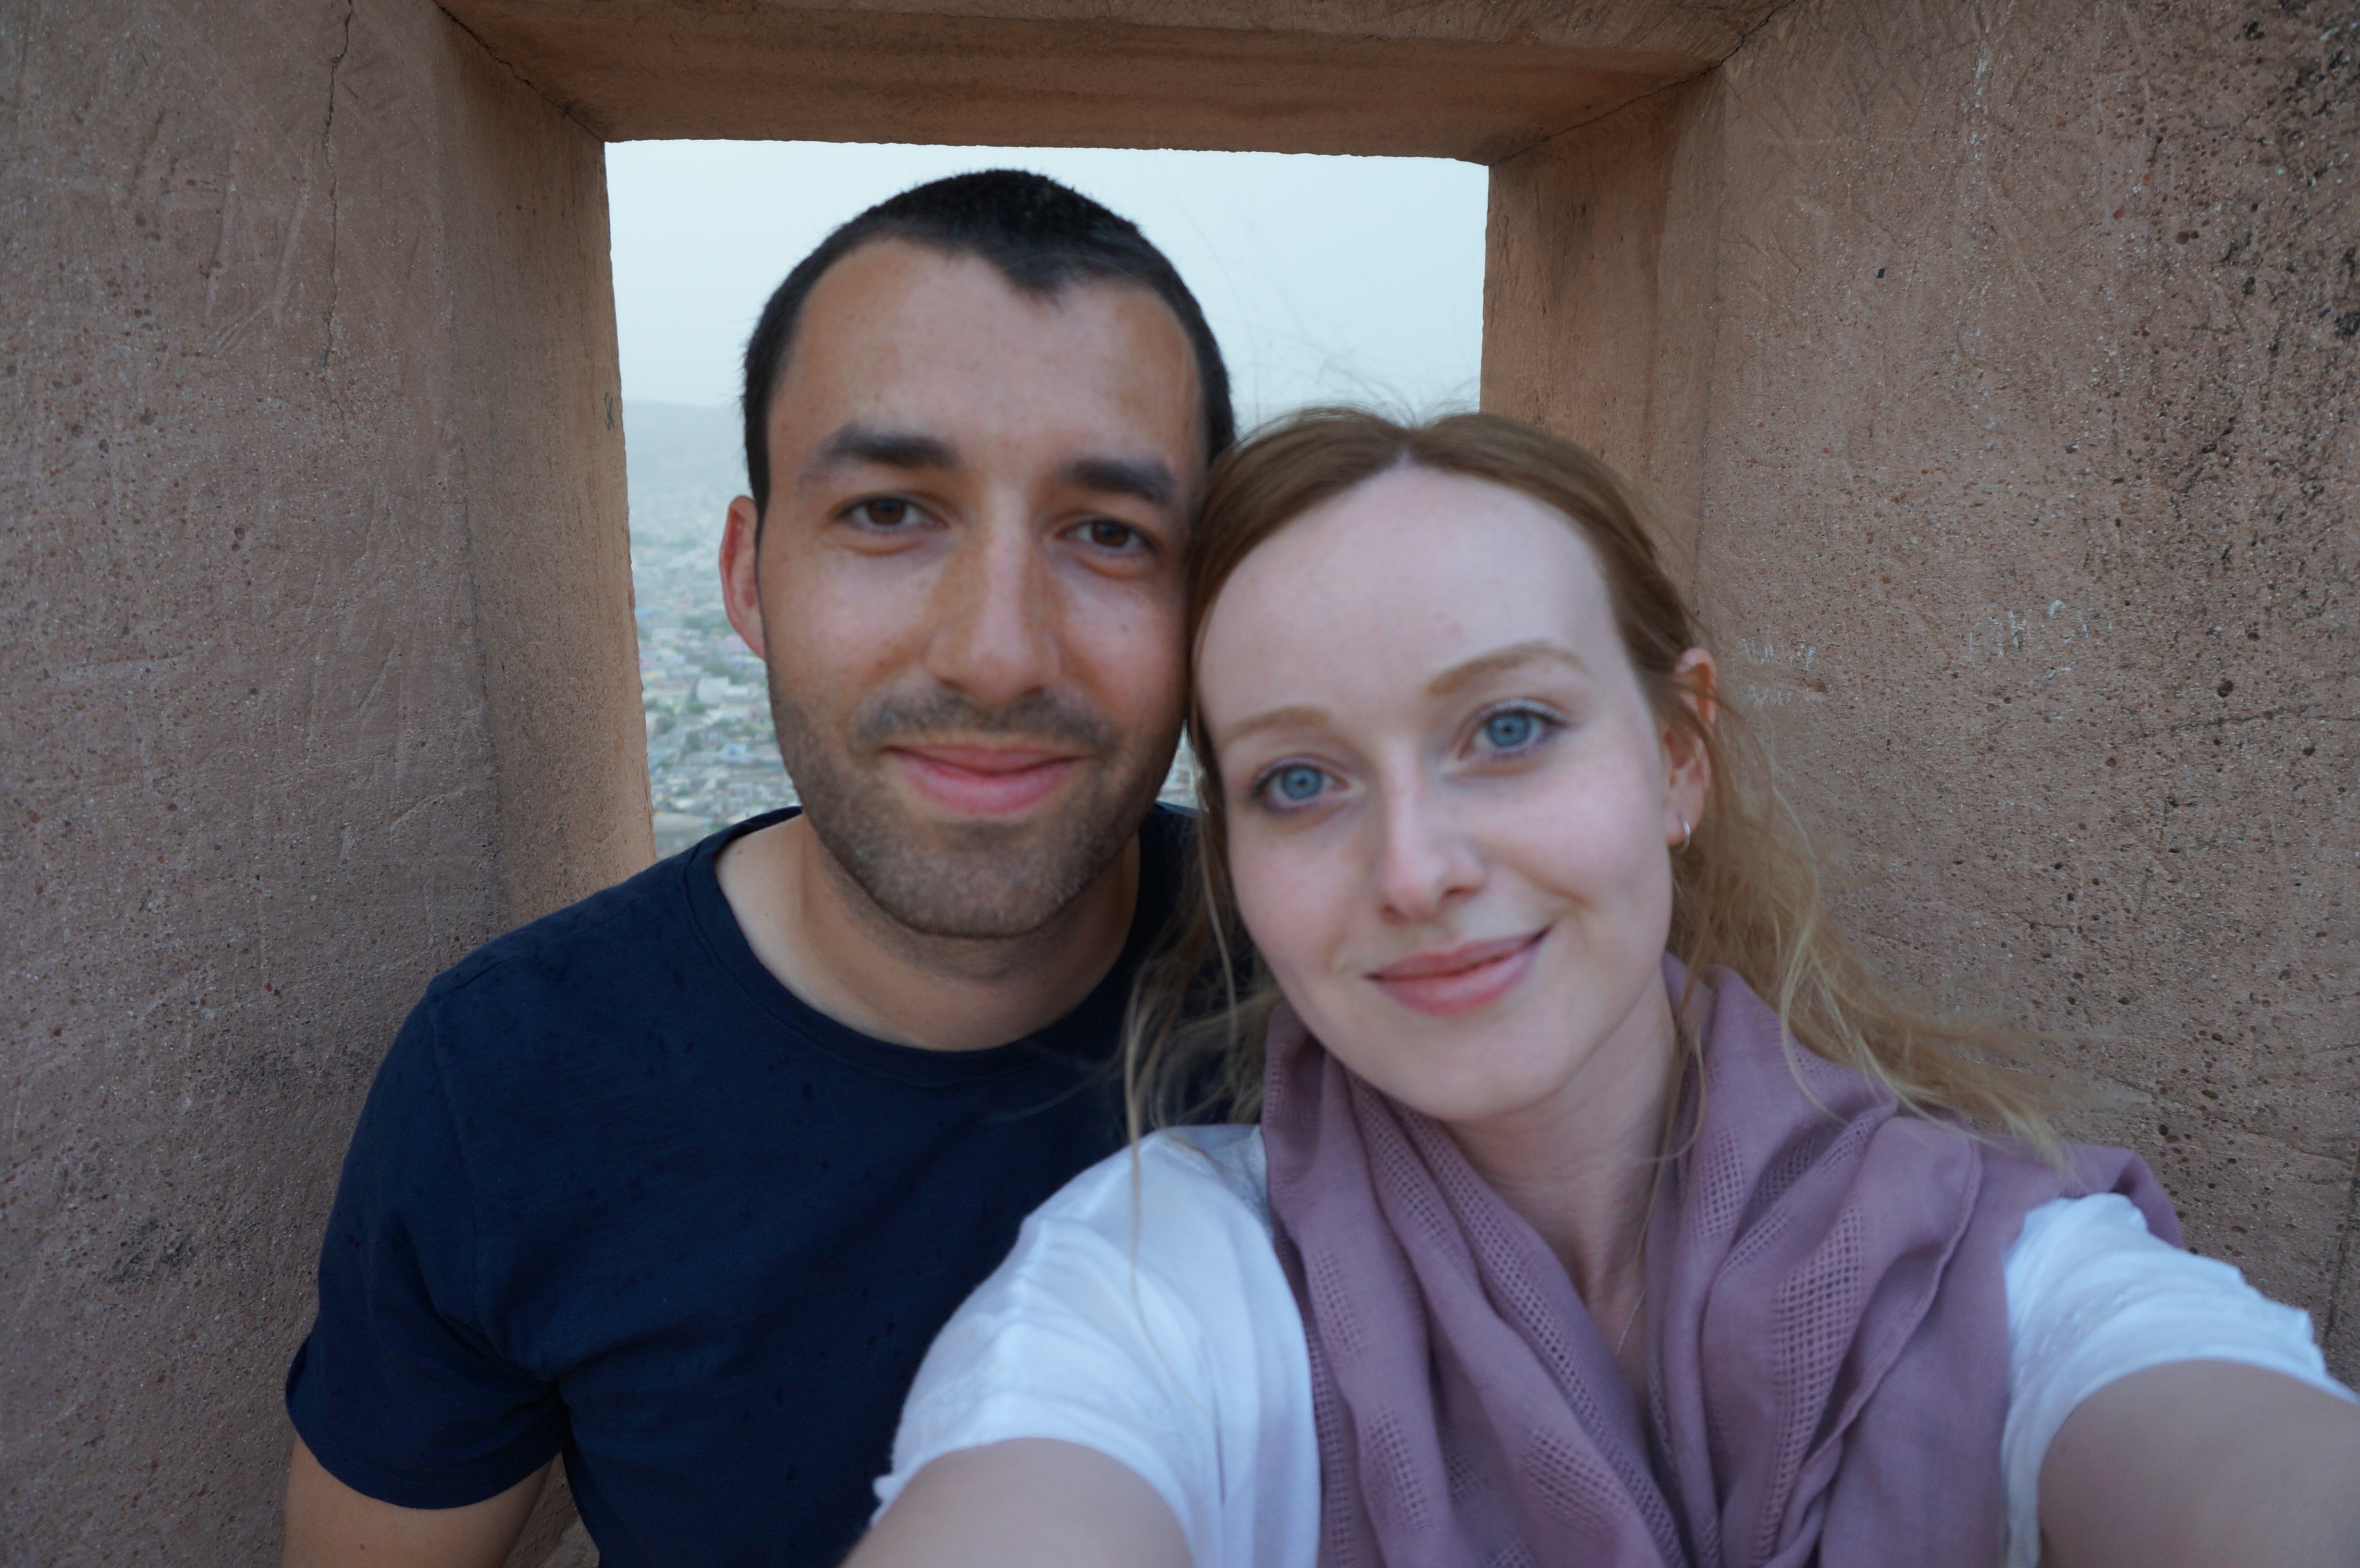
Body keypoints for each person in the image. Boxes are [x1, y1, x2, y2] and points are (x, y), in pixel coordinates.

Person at [852, 409, 2360, 1568]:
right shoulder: (1157, 1281)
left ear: (1678, 757)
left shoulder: (2008, 1271)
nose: (1414, 870)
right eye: (1299, 780)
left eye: (1509, 729)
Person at [277, 171, 1234, 1568]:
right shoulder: (517, 1078)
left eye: (1110, 533)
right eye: (890, 512)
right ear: (747, 577)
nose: (997, 653)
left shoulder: (1345, 997)